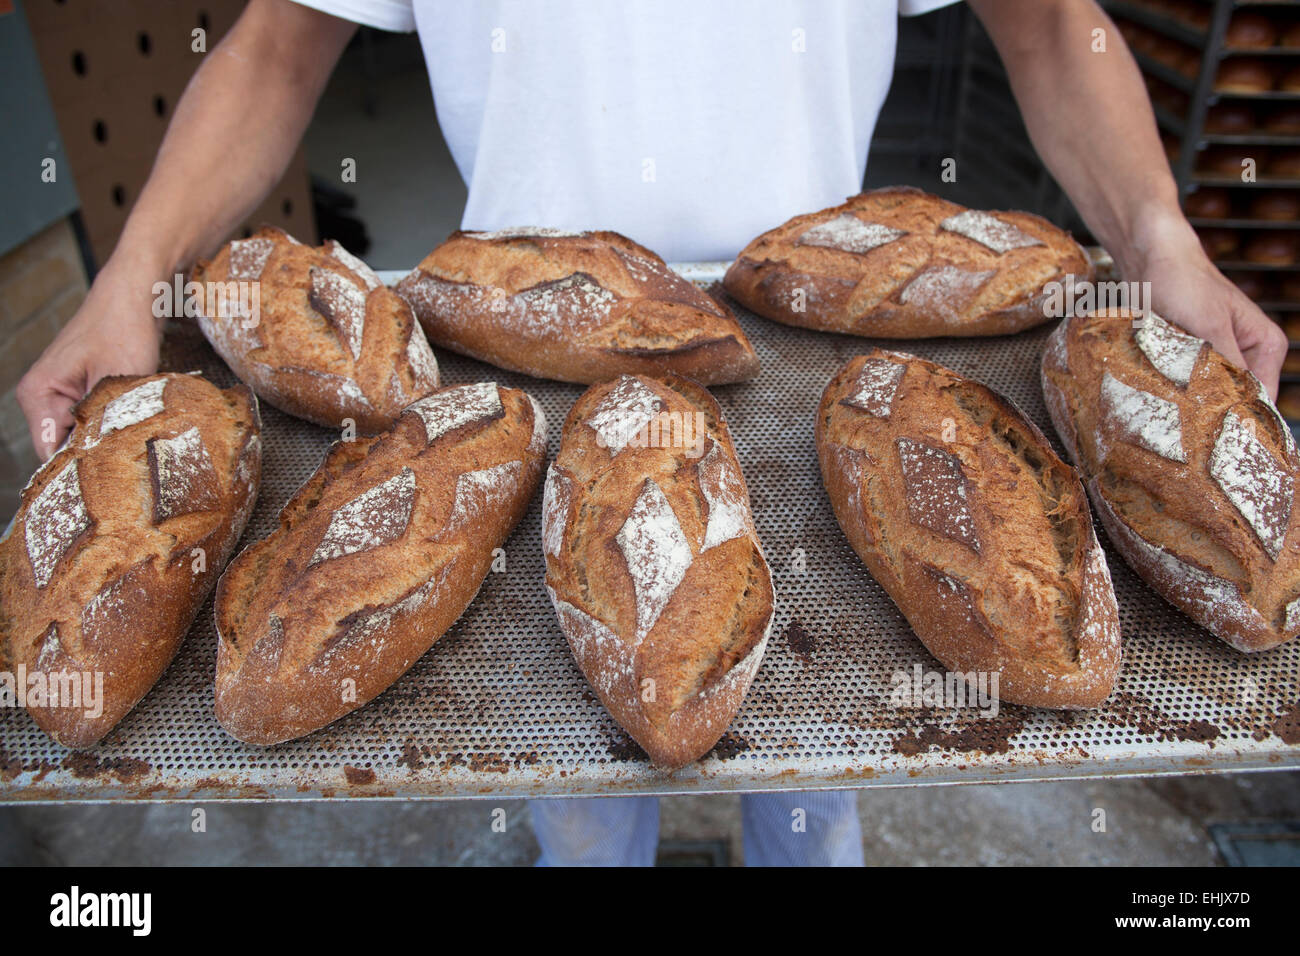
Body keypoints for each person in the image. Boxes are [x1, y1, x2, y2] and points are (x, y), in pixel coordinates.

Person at [16, 0, 1286, 865]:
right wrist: (138, 268)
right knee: (584, 780)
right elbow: (274, 47)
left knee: (824, 756)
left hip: (825, 348)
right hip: (498, 350)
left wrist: (1162, 238)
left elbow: (1055, 28)